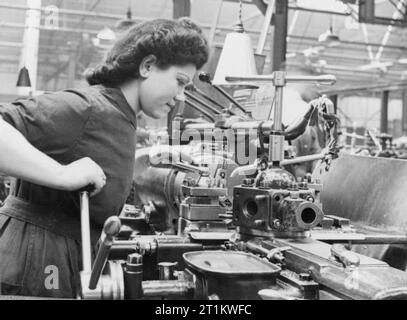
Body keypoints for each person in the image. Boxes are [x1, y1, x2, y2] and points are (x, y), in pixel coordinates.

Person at [0, 18, 209, 298]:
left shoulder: (119, 116)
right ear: (147, 66)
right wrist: (61, 175)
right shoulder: (89, 108)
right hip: (35, 263)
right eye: (180, 81)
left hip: (57, 258)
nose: (181, 96)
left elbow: (92, 165)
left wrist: (142, 161)